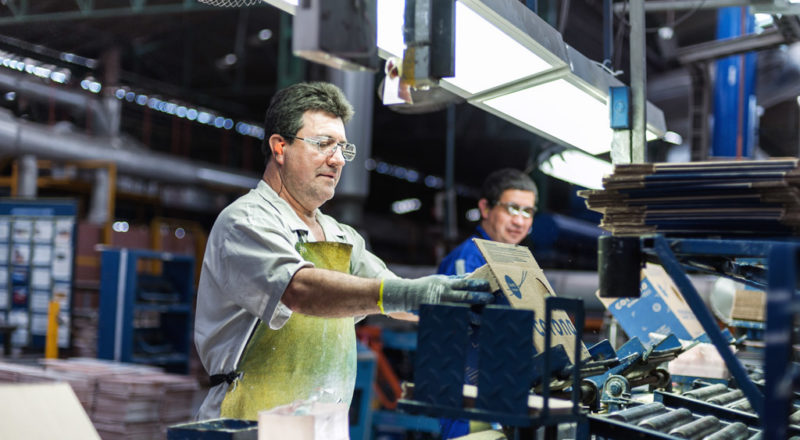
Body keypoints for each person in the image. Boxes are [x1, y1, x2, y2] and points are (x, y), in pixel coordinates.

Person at [193, 81, 492, 421]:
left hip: (322, 426)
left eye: (343, 149)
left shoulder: (340, 234)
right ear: (280, 147)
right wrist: (411, 294)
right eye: (323, 144)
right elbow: (299, 289)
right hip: (251, 423)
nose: (337, 160)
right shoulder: (246, 221)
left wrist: (453, 305)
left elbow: (392, 295)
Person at [437, 168, 538, 439]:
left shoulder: (515, 263)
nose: (520, 220)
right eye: (512, 208)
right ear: (485, 208)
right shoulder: (468, 261)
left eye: (527, 211)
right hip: (468, 395)